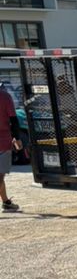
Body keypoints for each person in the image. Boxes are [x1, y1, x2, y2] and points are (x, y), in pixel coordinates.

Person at [0, 82, 19, 213]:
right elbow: (13, 119)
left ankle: (6, 202)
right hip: (2, 141)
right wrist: (17, 137)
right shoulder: (5, 96)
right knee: (0, 176)